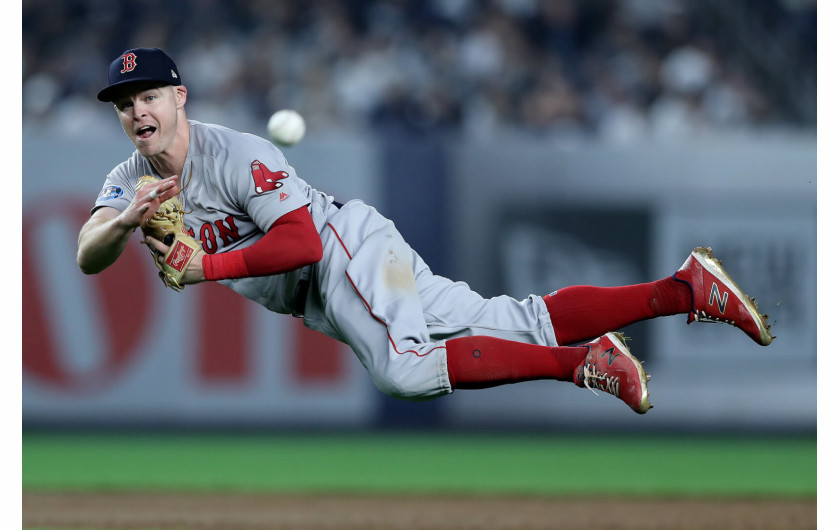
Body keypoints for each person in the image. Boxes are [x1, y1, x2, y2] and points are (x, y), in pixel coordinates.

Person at [77, 48, 774, 415]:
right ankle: (685, 290)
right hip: (321, 294)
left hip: (341, 253)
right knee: (516, 320)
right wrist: (124, 222)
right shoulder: (129, 177)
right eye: (124, 103)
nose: (137, 110)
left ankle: (585, 362)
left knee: (402, 372)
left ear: (179, 97)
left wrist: (205, 270)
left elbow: (303, 244)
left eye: (148, 96)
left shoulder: (237, 154)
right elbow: (88, 251)